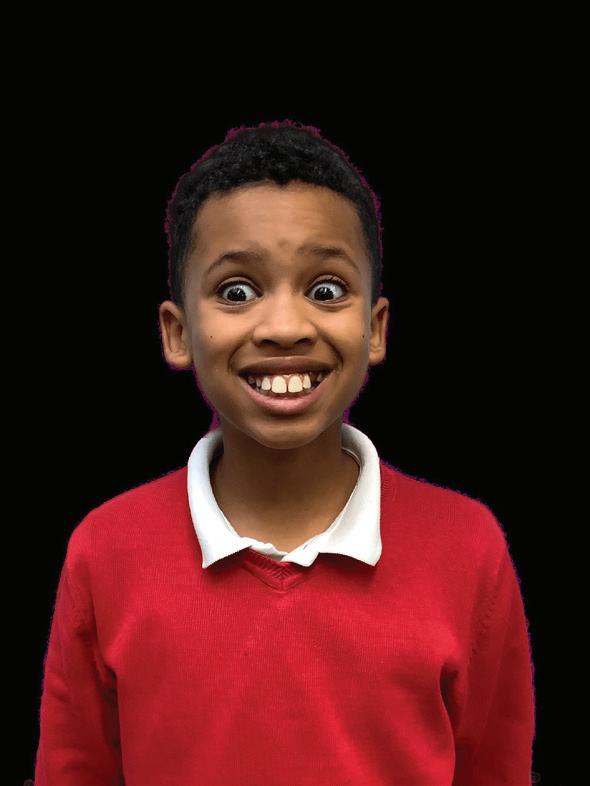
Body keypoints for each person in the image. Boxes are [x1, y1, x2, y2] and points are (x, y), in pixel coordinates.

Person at [32, 119, 536, 785]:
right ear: (177, 333)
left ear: (375, 328)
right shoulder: (105, 551)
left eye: (325, 290)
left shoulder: (468, 548)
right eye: (236, 292)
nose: (284, 327)